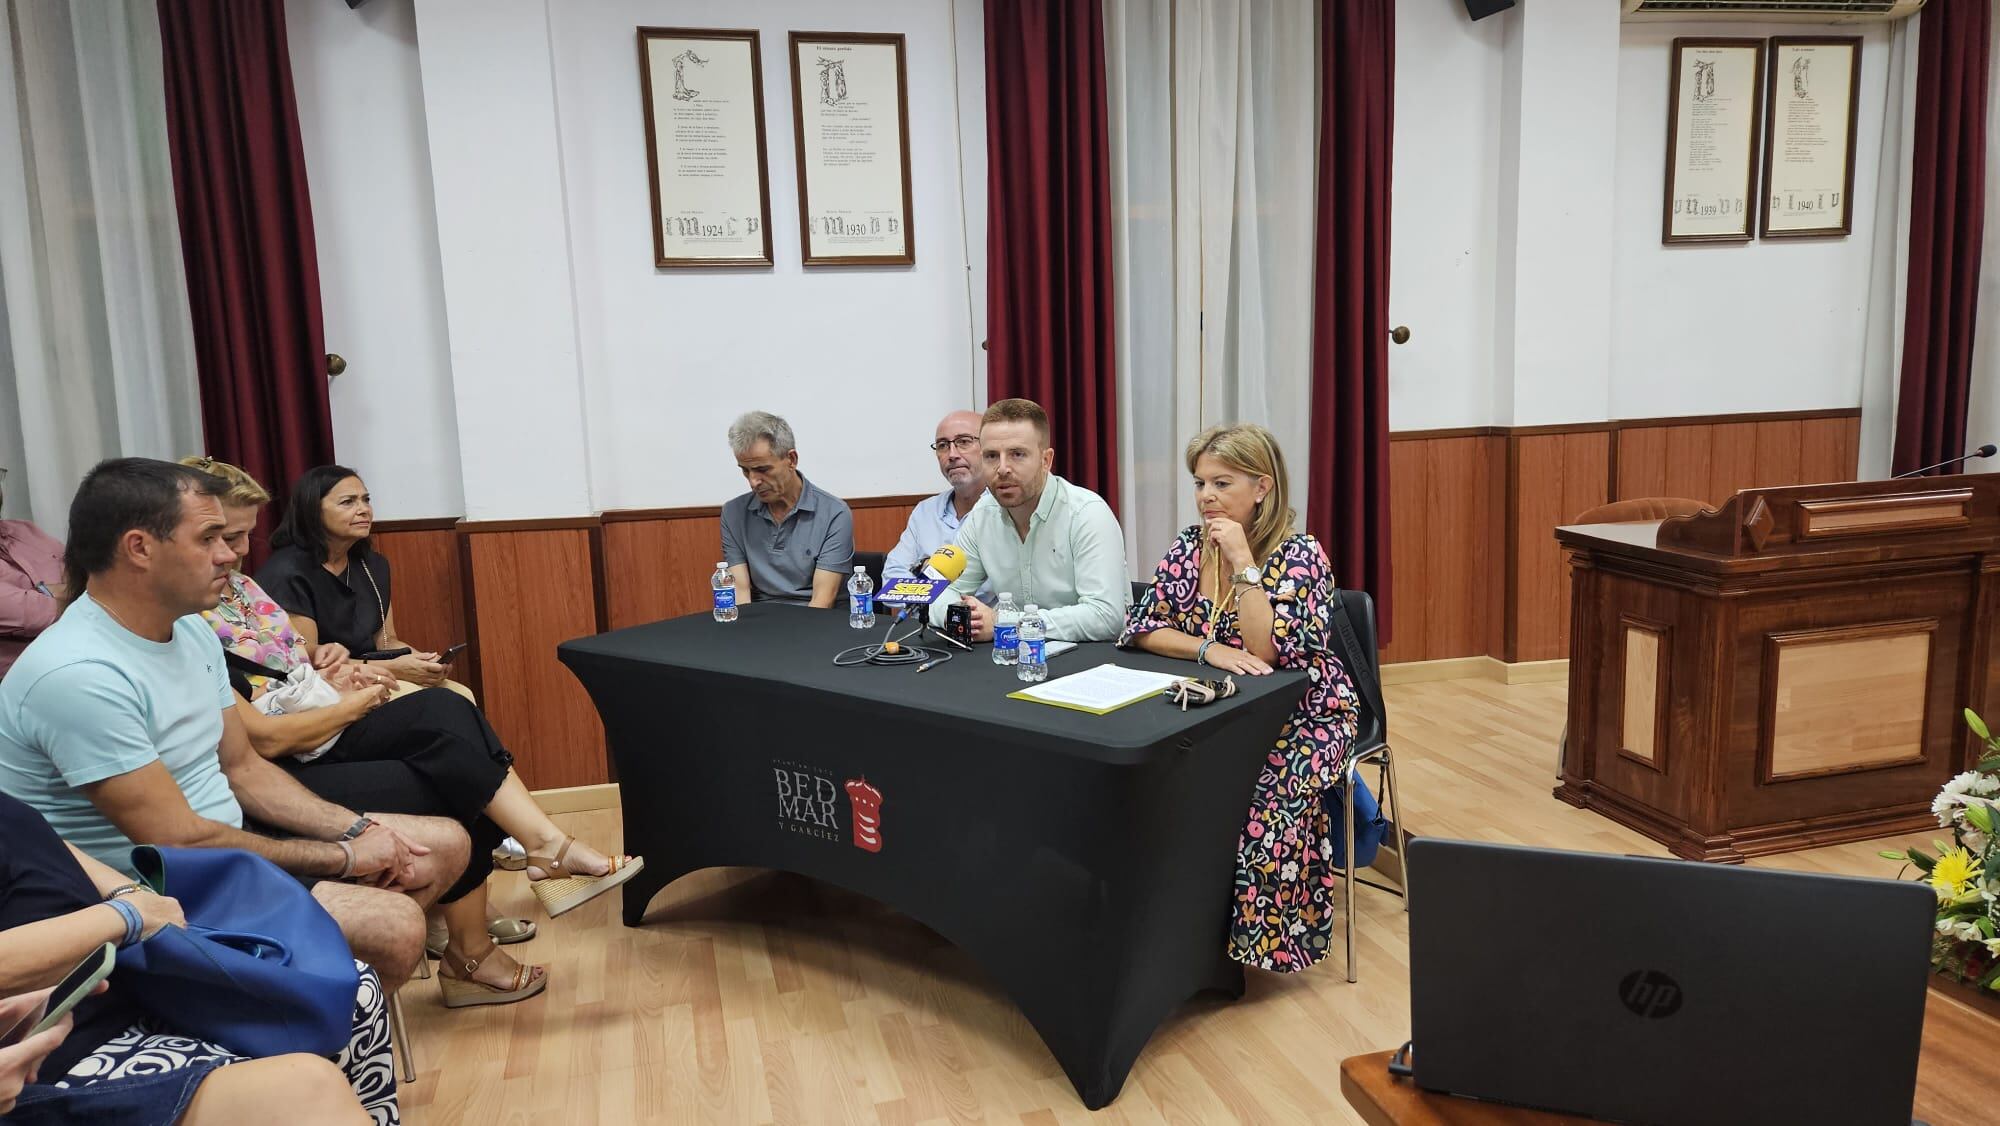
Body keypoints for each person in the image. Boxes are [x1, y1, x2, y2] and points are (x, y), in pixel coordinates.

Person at [0, 458, 468, 993]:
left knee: (445, 845)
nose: (230, 555)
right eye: (209, 538)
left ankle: (307, 1001)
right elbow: (175, 842)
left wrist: (357, 832)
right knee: (395, 924)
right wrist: (343, 857)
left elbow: (242, 767)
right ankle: (270, 1018)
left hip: (219, 847)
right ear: (139, 548)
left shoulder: (190, 631)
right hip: (144, 892)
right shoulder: (79, 673)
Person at [185, 457, 641, 1005]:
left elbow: (294, 663)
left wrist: (333, 665)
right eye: (218, 537)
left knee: (450, 714)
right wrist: (358, 698)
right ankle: (492, 918)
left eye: (237, 536)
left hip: (314, 720)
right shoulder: (202, 617)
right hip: (283, 767)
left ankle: (514, 883)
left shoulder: (247, 590)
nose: (234, 552)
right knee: (444, 752)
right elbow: (261, 744)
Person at [1116, 423, 1361, 972]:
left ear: (1263, 487)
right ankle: (1178, 936)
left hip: (1305, 714)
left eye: (1221, 483)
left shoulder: (1300, 554)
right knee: (1154, 781)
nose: (1205, 497)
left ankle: (1258, 948)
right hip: (1212, 701)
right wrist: (1209, 651)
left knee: (1259, 801)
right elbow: (1143, 627)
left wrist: (1244, 565)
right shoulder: (1186, 545)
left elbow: (1268, 652)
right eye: (1199, 483)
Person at [0, 791, 387, 1125]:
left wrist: (131, 895)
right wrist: (127, 916)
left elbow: (39, 841)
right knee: (306, 1091)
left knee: (354, 990)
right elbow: (177, 827)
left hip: (119, 976)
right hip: (49, 1054)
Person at [927, 399, 1128, 642]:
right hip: (1014, 659)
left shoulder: (1086, 514)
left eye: (1017, 454)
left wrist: (1008, 624)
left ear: (1046, 461)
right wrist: (962, 617)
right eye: (991, 456)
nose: (1002, 469)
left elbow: (1106, 617)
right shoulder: (982, 516)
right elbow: (939, 593)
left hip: (1092, 663)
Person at [255, 466, 464, 698]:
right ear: (312, 511)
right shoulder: (288, 572)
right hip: (326, 684)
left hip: (375, 671)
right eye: (348, 502)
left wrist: (424, 663)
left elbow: (386, 641)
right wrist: (397, 669)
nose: (363, 510)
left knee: (461, 694)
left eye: (366, 500)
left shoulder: (373, 565)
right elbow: (309, 661)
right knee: (439, 702)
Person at [721, 411, 854, 608]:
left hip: (817, 621)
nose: (753, 481)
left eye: (763, 469)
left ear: (791, 459)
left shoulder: (834, 513)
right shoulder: (733, 513)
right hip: (760, 620)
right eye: (745, 470)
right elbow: (740, 595)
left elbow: (822, 601)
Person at [883, 410, 992, 603]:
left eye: (964, 441)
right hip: (926, 627)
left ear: (989, 448)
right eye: (942, 445)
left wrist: (924, 576)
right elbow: (891, 581)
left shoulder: (1005, 512)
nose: (951, 454)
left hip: (984, 629)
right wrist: (940, 598)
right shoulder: (925, 511)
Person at [0, 466, 64, 681]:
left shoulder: (25, 531)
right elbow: (39, 614)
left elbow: (94, 575)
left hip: (90, 662)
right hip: (23, 689)